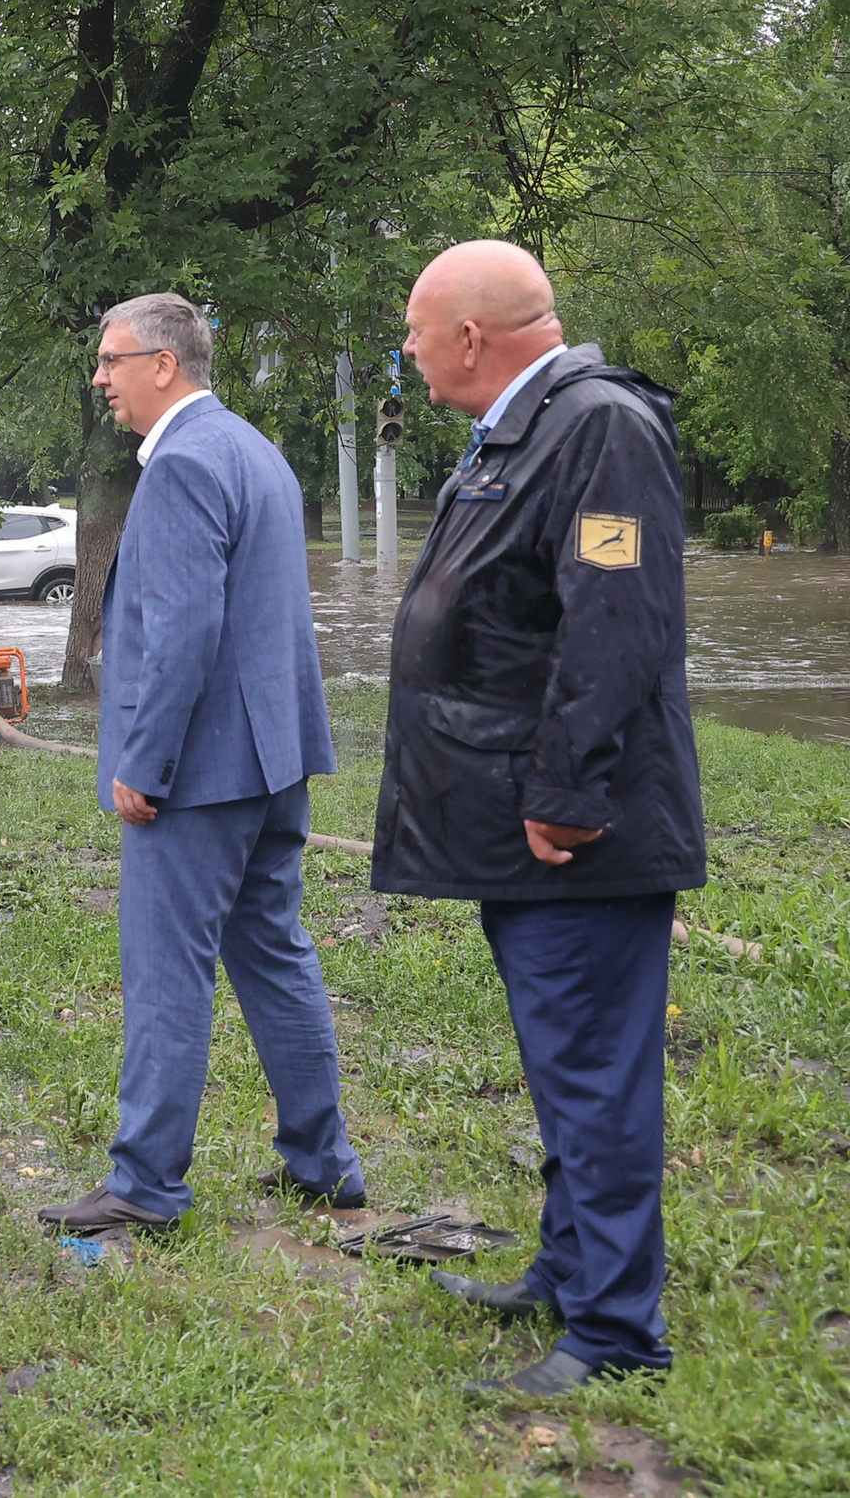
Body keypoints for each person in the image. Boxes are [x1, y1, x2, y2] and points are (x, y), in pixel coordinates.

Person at [375, 239, 703, 1398]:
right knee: (563, 1066)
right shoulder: (531, 427)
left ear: (469, 336)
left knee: (594, 1073)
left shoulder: (599, 427)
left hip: (577, 831)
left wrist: (565, 793)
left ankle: (616, 1333)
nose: (407, 354)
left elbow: (616, 621)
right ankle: (568, 1274)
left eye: (416, 332)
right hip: (520, 823)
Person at [38, 293, 362, 1235]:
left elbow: (183, 631)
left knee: (167, 971)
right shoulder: (253, 448)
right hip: (273, 757)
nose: (102, 377)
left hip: (201, 772)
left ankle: (144, 1183)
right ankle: (324, 1162)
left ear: (164, 366)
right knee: (272, 949)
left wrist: (144, 760)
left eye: (112, 359)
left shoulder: (180, 464)